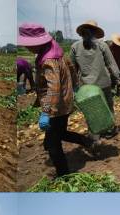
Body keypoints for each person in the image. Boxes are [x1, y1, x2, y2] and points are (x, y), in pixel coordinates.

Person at [18, 22, 96, 177]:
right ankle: (88, 142)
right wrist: (74, 85)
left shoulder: (48, 60)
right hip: (65, 102)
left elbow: (53, 89)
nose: (27, 48)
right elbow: (71, 67)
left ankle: (63, 175)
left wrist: (46, 112)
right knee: (58, 134)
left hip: (56, 106)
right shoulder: (56, 48)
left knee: (54, 145)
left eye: (28, 45)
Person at [71, 20, 120, 119]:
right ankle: (110, 130)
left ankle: (94, 133)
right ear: (95, 32)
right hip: (103, 84)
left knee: (92, 112)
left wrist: (74, 87)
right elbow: (111, 64)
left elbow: (72, 69)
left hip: (86, 87)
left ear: (81, 33)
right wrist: (118, 79)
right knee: (108, 108)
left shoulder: (75, 47)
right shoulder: (102, 45)